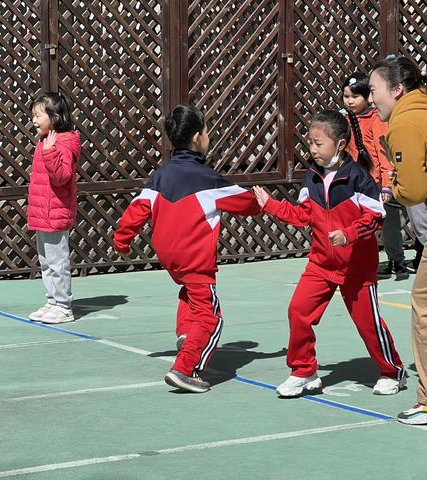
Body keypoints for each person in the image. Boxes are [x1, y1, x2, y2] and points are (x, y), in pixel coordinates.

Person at [253, 109, 406, 397]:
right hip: (320, 264)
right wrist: (270, 205)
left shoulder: (358, 178)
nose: (312, 148)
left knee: (368, 325)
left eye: (318, 143)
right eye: (310, 142)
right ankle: (304, 371)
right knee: (298, 311)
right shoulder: (310, 177)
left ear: (339, 144)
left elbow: (375, 218)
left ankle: (391, 371)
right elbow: (302, 216)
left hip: (356, 270)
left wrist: (347, 234)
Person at [113, 105, 261, 393]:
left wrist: (122, 240)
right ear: (197, 137)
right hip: (194, 256)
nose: (208, 136)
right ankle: (186, 367)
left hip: (170, 256)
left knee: (188, 291)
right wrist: (262, 202)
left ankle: (184, 334)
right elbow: (248, 204)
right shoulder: (207, 179)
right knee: (211, 317)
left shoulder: (160, 175)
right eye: (206, 131)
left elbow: (137, 210)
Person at [369, 55, 427, 424]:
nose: (371, 98)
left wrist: (391, 192)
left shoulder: (405, 121)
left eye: (374, 90)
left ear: (396, 89)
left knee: (422, 310)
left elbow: (415, 188)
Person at [342, 73, 410, 278]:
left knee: (386, 224)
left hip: (376, 183)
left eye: (355, 96)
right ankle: (357, 261)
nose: (350, 101)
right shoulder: (345, 118)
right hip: (354, 182)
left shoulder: (377, 118)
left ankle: (396, 261)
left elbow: (383, 153)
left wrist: (387, 184)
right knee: (357, 224)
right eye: (346, 96)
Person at [27, 92, 81, 324]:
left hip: (55, 211)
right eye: (33, 115)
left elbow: (62, 176)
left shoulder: (65, 141)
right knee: (46, 261)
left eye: (38, 115)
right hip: (43, 211)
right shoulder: (46, 140)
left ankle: (63, 306)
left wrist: (50, 153)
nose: (34, 120)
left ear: (55, 117)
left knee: (58, 262)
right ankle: (52, 301)